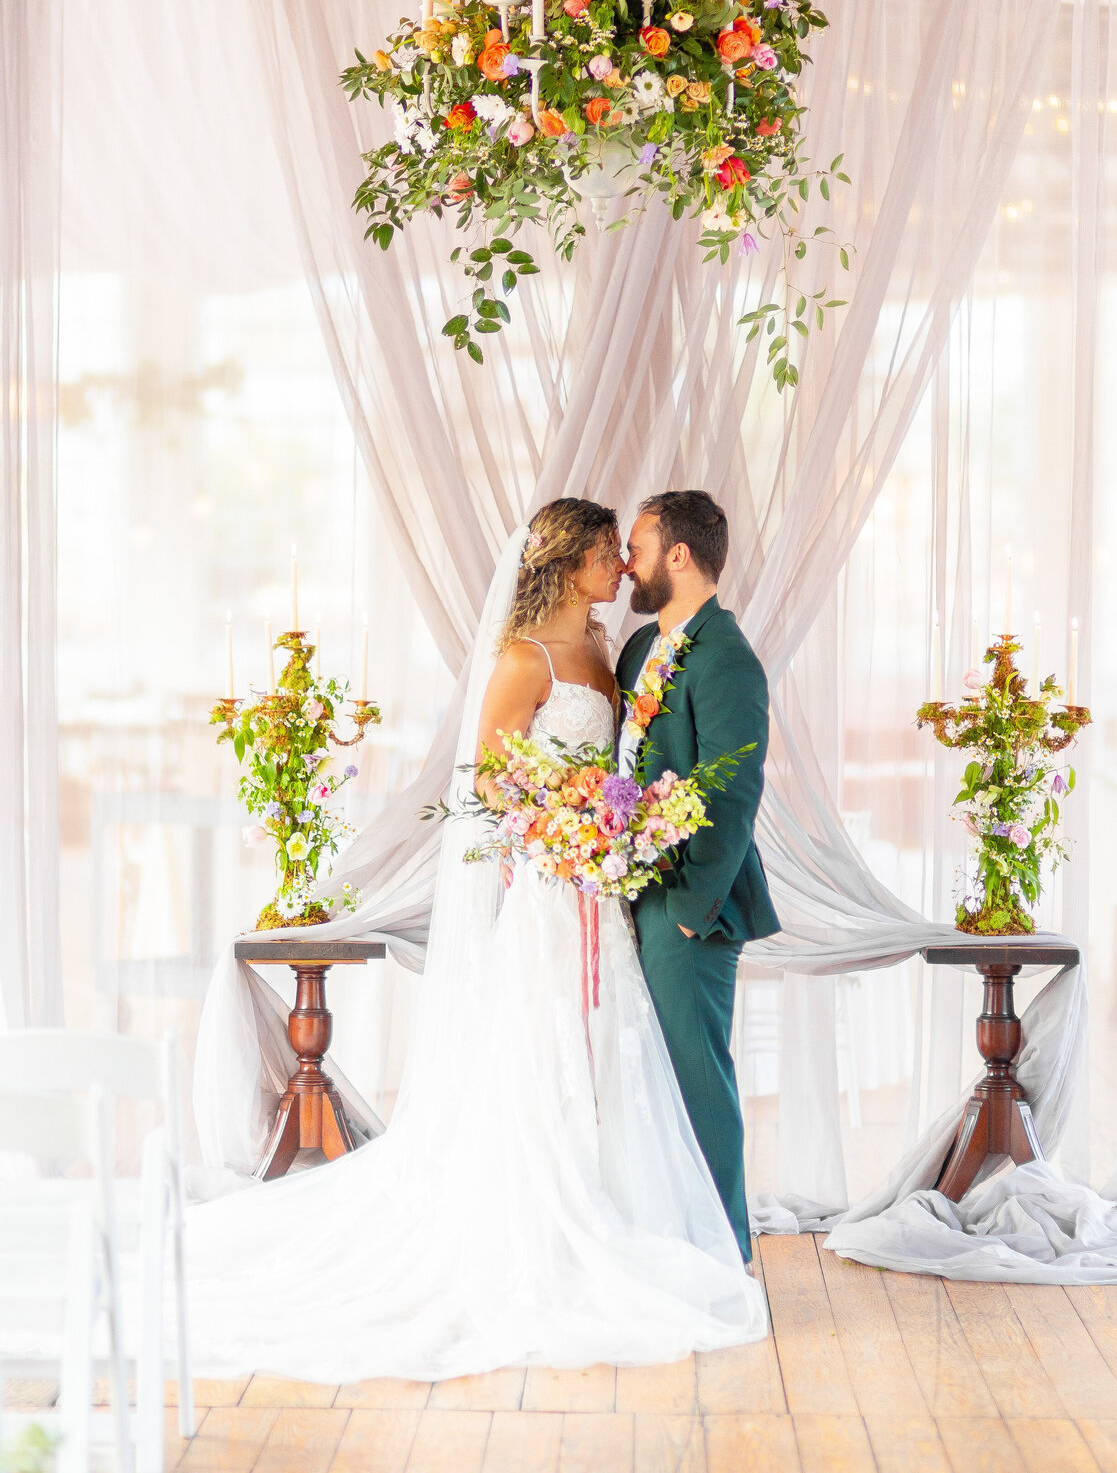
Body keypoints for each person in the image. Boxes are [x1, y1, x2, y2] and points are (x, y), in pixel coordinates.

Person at [182, 497, 766, 1383]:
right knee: (545, 1058)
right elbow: (494, 785)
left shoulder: (628, 654)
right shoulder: (540, 658)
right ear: (573, 564)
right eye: (612, 551)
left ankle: (671, 1229)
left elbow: (684, 779)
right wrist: (563, 824)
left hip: (617, 895)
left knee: (628, 1058)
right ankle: (554, 1228)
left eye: (631, 549)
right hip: (554, 891)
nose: (623, 565)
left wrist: (619, 849)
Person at [617, 491, 780, 1265]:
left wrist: (687, 907)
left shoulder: (726, 658)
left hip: (691, 905)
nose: (628, 561)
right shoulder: (639, 648)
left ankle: (724, 1251)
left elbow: (731, 792)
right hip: (629, 893)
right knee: (642, 1077)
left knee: (695, 1078)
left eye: (640, 545)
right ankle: (662, 1238)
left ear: (679, 555)